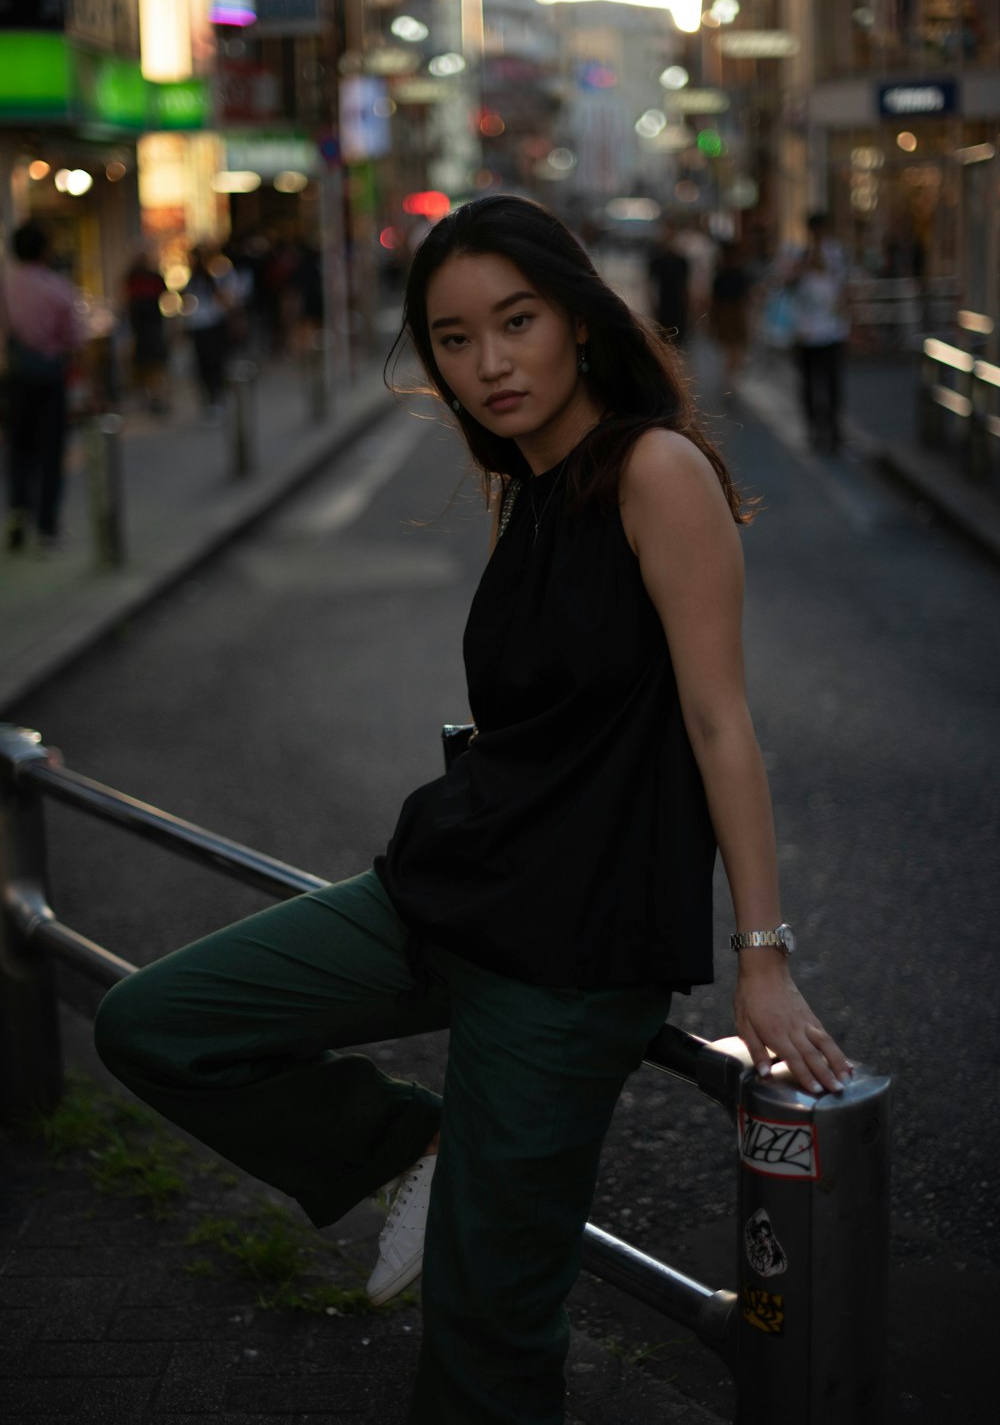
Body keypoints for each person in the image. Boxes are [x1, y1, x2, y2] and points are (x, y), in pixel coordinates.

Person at [93, 195, 852, 1425]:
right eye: (453, 338)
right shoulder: (531, 484)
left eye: (516, 322)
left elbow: (720, 723)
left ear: (579, 322)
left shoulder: (653, 470)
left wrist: (760, 958)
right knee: (155, 1025)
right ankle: (405, 1148)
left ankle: (458, 1186)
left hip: (567, 959)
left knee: (484, 1339)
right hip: (446, 892)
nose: (489, 362)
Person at [1, 220, 87, 552]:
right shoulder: (57, 287)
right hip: (50, 377)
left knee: (19, 450)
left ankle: (18, 513)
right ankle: (47, 526)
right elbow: (74, 341)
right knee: (50, 451)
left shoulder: (5, 285)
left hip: (15, 378)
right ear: (44, 250)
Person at [790, 216, 851, 453]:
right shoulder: (798, 253)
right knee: (808, 383)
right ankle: (814, 429)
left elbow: (844, 286)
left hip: (832, 330)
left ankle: (833, 430)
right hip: (805, 331)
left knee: (833, 382)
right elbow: (786, 282)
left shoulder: (837, 253)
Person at [181, 245, 230, 413]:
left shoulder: (211, 278)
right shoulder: (191, 281)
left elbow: (223, 299)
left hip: (211, 325)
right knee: (203, 364)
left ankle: (216, 397)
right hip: (199, 327)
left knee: (213, 362)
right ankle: (209, 400)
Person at [124, 247, 170, 415]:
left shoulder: (153, 277)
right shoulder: (132, 277)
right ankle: (150, 398)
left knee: (156, 366)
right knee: (146, 367)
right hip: (141, 330)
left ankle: (158, 397)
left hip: (152, 328)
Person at [709, 240, 754, 390]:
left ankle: (730, 376)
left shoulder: (723, 274)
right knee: (734, 348)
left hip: (728, 314)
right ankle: (731, 376)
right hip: (731, 313)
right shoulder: (738, 274)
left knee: (731, 349)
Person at [647, 221, 690, 345]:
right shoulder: (657, 259)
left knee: (678, 338)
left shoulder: (682, 261)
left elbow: (685, 285)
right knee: (664, 336)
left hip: (677, 304)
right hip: (663, 302)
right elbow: (650, 284)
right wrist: (651, 303)